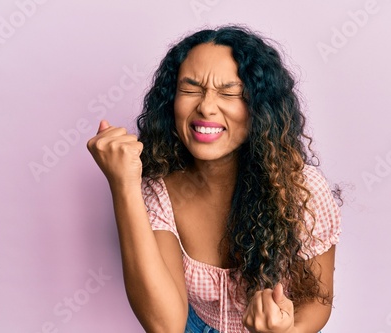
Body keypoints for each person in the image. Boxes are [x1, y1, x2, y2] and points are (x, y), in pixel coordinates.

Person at [87, 25, 342, 333]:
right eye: (190, 89)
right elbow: (166, 326)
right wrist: (123, 183)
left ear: (259, 108)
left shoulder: (302, 189)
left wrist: (286, 332)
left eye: (229, 92)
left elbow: (317, 302)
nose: (206, 107)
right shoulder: (159, 189)